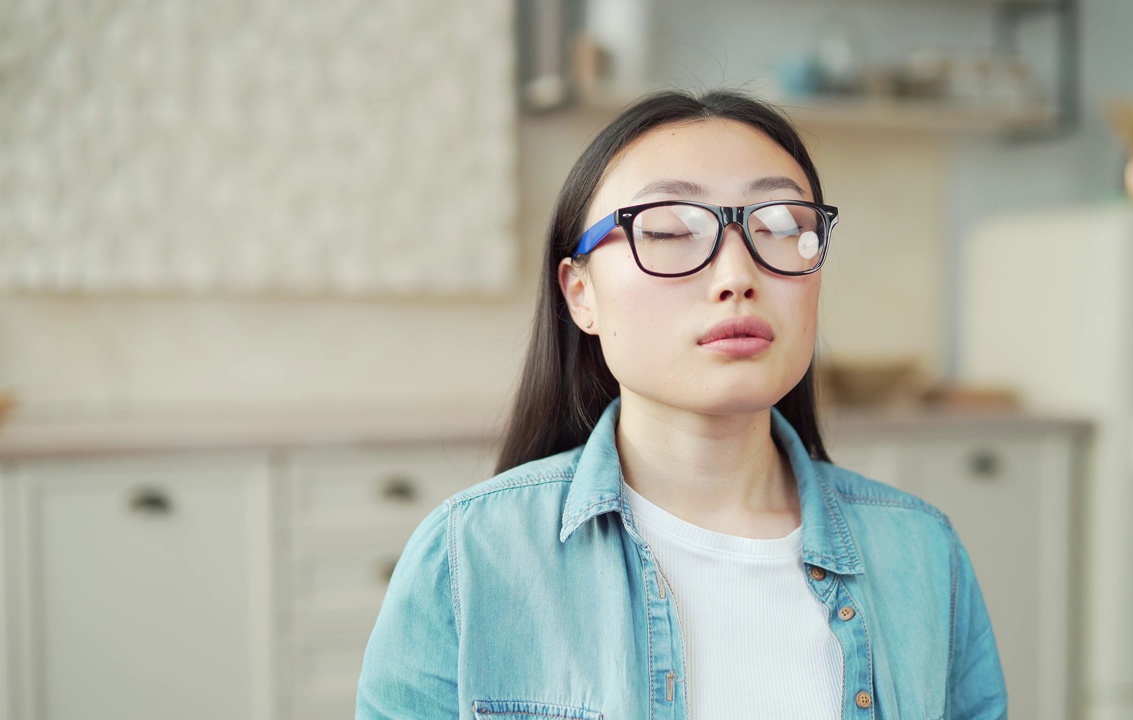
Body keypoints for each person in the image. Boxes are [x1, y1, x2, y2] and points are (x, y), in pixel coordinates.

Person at [356, 89, 1007, 719]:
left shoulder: (923, 555)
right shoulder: (469, 558)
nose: (736, 278)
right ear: (580, 294)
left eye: (781, 227)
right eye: (669, 231)